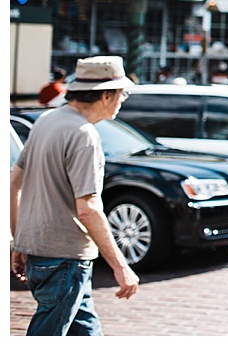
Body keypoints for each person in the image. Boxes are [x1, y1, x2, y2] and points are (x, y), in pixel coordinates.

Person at [10, 55, 141, 335]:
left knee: (87, 331)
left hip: (46, 253)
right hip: (65, 257)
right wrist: (121, 267)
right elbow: (88, 208)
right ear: (106, 95)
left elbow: (14, 183)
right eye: (122, 93)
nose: (123, 100)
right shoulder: (84, 135)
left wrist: (20, 239)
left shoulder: (47, 119)